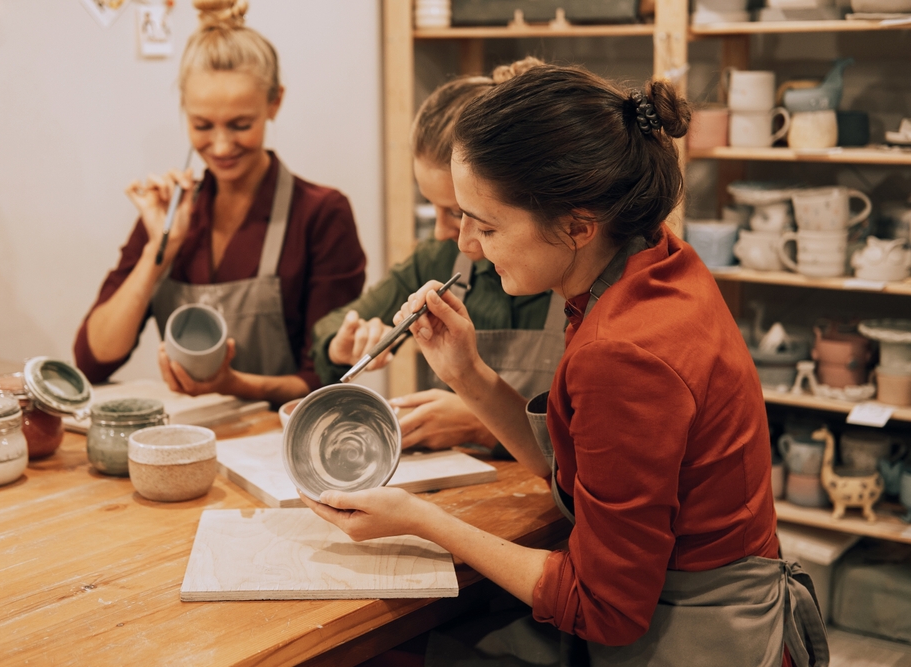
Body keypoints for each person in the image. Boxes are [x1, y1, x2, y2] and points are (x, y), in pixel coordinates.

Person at [303, 64, 828, 666]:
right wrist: (468, 374)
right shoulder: (651, 256)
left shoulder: (624, 350)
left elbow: (604, 606)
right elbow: (579, 475)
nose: (467, 245)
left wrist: (421, 520)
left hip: (699, 635)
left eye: (486, 223)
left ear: (578, 226)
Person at [74, 0, 366, 406]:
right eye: (202, 125)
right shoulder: (171, 212)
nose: (222, 145)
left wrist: (230, 384)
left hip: (284, 445)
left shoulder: (320, 215)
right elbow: (93, 360)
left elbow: (329, 379)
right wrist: (157, 255)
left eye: (241, 125)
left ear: (275, 103)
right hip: (192, 439)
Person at [310, 57, 565, 452]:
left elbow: (596, 447)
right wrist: (343, 343)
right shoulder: (437, 261)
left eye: (462, 213)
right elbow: (330, 328)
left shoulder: (569, 276)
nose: (451, 235)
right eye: (433, 208)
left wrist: (482, 423)